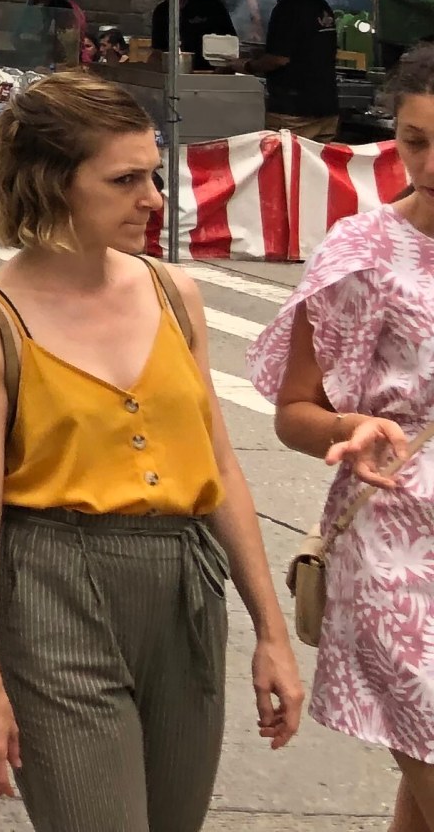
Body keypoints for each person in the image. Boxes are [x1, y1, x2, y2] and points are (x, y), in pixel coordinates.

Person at [0, 71, 303, 832]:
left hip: (185, 588)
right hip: (53, 590)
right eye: (126, 179)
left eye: (154, 174)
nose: (154, 199)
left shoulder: (175, 295)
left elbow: (221, 468)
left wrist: (271, 630)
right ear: (52, 184)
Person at [258, 41, 434, 815]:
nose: (428, 161)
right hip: (392, 546)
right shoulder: (363, 250)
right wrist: (350, 426)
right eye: (416, 139)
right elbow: (294, 411)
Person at [246, 0, 341, 141]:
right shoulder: (321, 6)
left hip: (293, 113)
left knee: (287, 168)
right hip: (327, 110)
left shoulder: (287, 8)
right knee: (317, 168)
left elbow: (279, 59)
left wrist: (247, 65)